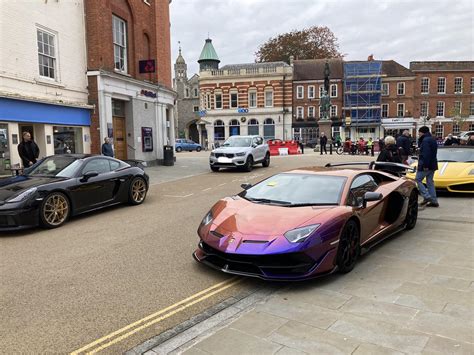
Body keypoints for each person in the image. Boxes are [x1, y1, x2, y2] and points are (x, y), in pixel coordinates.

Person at [416, 126, 439, 208]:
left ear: (422, 132)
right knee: (430, 182)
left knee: (418, 179)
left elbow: (426, 154)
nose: (418, 134)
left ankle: (427, 196)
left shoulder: (425, 141)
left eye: (419, 132)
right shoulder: (432, 139)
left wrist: (425, 165)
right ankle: (434, 201)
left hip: (426, 164)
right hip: (433, 164)